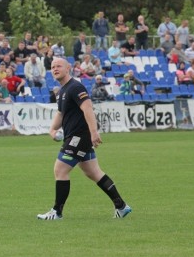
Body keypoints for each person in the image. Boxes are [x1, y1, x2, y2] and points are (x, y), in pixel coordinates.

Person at [37, 57, 132, 221]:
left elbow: (87, 107)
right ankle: (121, 206)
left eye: (59, 66)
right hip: (76, 137)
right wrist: (52, 129)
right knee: (93, 172)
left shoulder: (75, 87)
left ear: (68, 68)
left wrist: (94, 132)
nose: (55, 69)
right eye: (52, 67)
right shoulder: (62, 92)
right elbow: (60, 113)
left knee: (60, 170)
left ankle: (57, 212)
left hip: (79, 137)